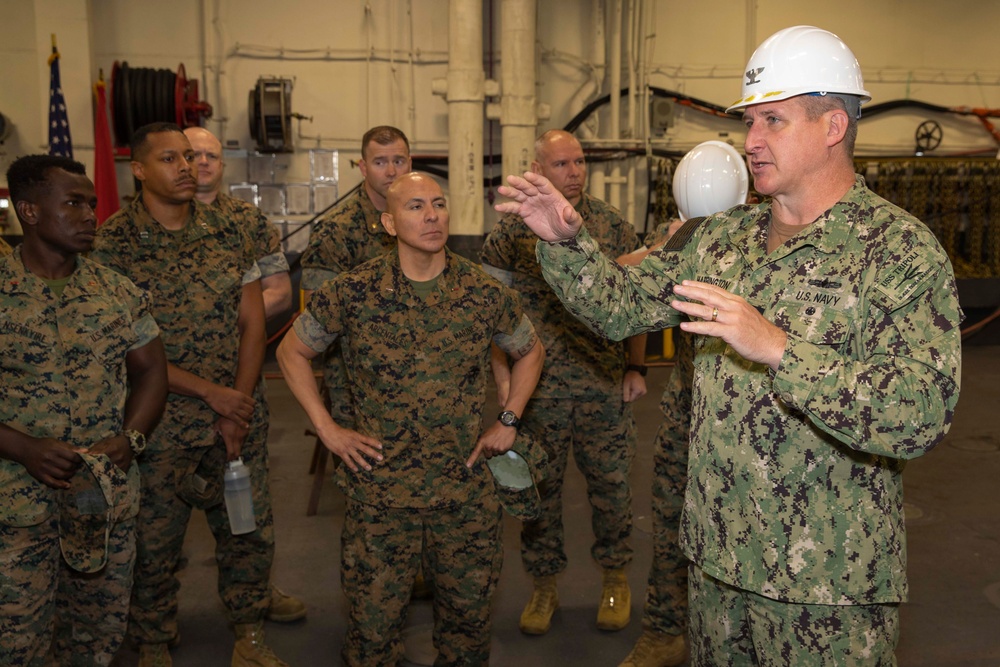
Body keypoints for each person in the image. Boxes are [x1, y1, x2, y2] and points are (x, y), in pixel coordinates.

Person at [497, 25, 963, 666]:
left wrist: (778, 347)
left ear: (833, 127)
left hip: (826, 590)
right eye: (751, 121)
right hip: (717, 566)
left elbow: (920, 413)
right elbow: (620, 307)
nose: (752, 141)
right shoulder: (721, 240)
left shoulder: (898, 251)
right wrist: (565, 243)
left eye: (773, 120)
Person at [277, 172, 544, 665]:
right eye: (416, 206)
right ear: (388, 221)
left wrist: (508, 419)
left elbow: (529, 350)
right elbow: (291, 352)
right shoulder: (352, 292)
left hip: (461, 490)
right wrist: (328, 430)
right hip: (380, 495)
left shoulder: (482, 292)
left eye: (439, 205)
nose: (431, 216)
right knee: (371, 634)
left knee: (467, 632)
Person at [91, 123, 288, 667]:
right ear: (140, 168)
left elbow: (253, 322)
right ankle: (153, 641)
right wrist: (213, 395)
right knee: (153, 542)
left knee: (247, 531)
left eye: (190, 157)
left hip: (237, 419)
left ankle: (249, 634)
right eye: (170, 158)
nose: (186, 167)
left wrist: (238, 403)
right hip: (158, 421)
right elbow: (128, 348)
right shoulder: (112, 244)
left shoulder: (228, 230)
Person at [0, 154, 167, 665]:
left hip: (101, 497)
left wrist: (131, 439)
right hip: (13, 504)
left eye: (92, 204)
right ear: (28, 210)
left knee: (96, 638)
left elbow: (151, 374)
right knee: (16, 642)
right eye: (73, 203)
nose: (90, 215)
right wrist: (22, 447)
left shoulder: (117, 292)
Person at [480, 128, 647, 635]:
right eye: (561, 165)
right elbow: (495, 318)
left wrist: (636, 368)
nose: (574, 173)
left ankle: (615, 577)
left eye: (579, 162)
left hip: (601, 383)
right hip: (539, 392)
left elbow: (637, 303)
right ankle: (544, 585)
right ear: (536, 169)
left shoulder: (612, 227)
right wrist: (505, 384)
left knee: (613, 491)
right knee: (538, 493)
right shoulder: (511, 233)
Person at [616, 141, 749, 667]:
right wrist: (666, 251)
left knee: (742, 527)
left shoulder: (764, 234)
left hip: (747, 418)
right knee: (672, 521)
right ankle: (666, 630)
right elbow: (623, 276)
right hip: (686, 411)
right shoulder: (678, 234)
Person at [183, 125, 305, 623]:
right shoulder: (135, 228)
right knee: (157, 515)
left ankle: (254, 593)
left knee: (246, 503)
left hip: (238, 377)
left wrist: (228, 319)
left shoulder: (247, 222)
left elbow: (278, 291)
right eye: (191, 155)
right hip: (164, 388)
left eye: (211, 155)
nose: (203, 163)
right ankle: (155, 612)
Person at [299, 125, 410, 431]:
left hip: (420, 378)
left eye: (399, 161)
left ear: (410, 163)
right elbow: (316, 314)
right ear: (363, 168)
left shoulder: (421, 221)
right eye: (379, 162)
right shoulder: (336, 231)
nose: (391, 171)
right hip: (357, 382)